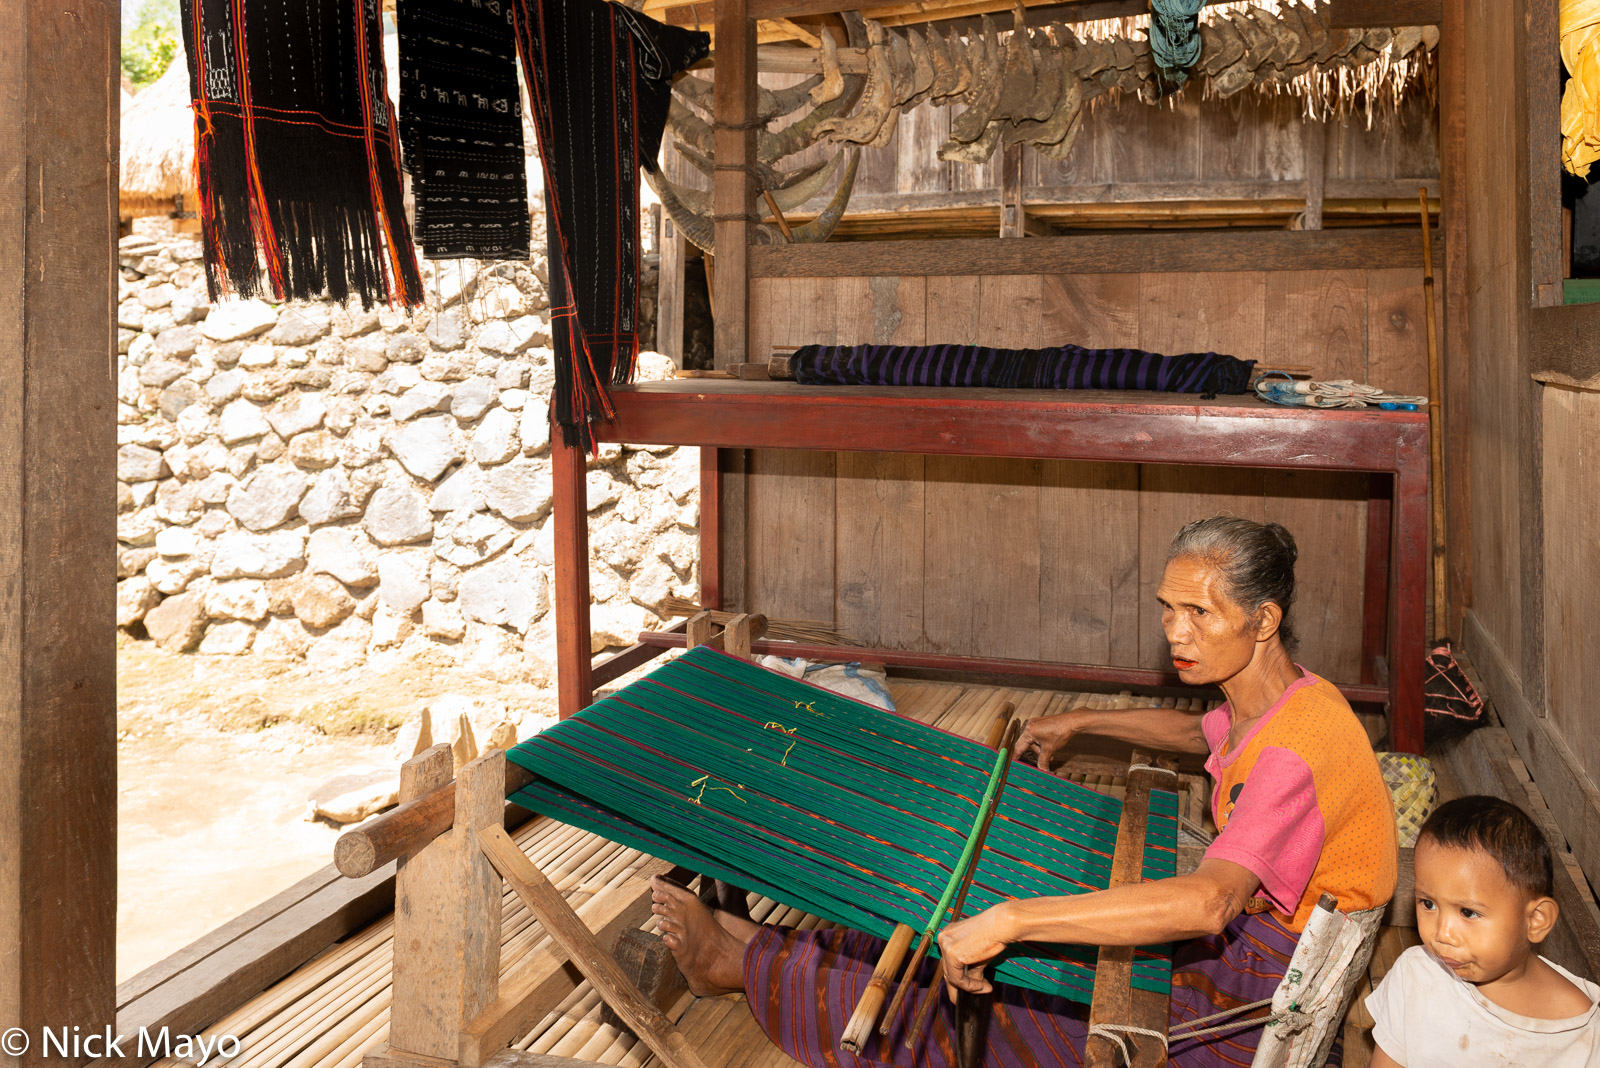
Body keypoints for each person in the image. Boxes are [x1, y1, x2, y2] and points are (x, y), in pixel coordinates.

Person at [651, 516, 1399, 1067]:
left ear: (1263, 620)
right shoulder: (1290, 698)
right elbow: (1206, 734)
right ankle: (769, 946)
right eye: (1168, 609)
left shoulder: (1297, 753)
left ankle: (744, 968)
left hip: (1246, 988)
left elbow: (1210, 903)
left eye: (1199, 613)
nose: (1176, 631)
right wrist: (1084, 722)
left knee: (972, 1003)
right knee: (950, 910)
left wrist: (1011, 919)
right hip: (1255, 945)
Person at [1366, 796, 1600, 1067]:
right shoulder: (1417, 975)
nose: (1442, 934)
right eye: (1428, 904)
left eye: (1467, 912)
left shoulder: (1583, 1037)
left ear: (1535, 920)